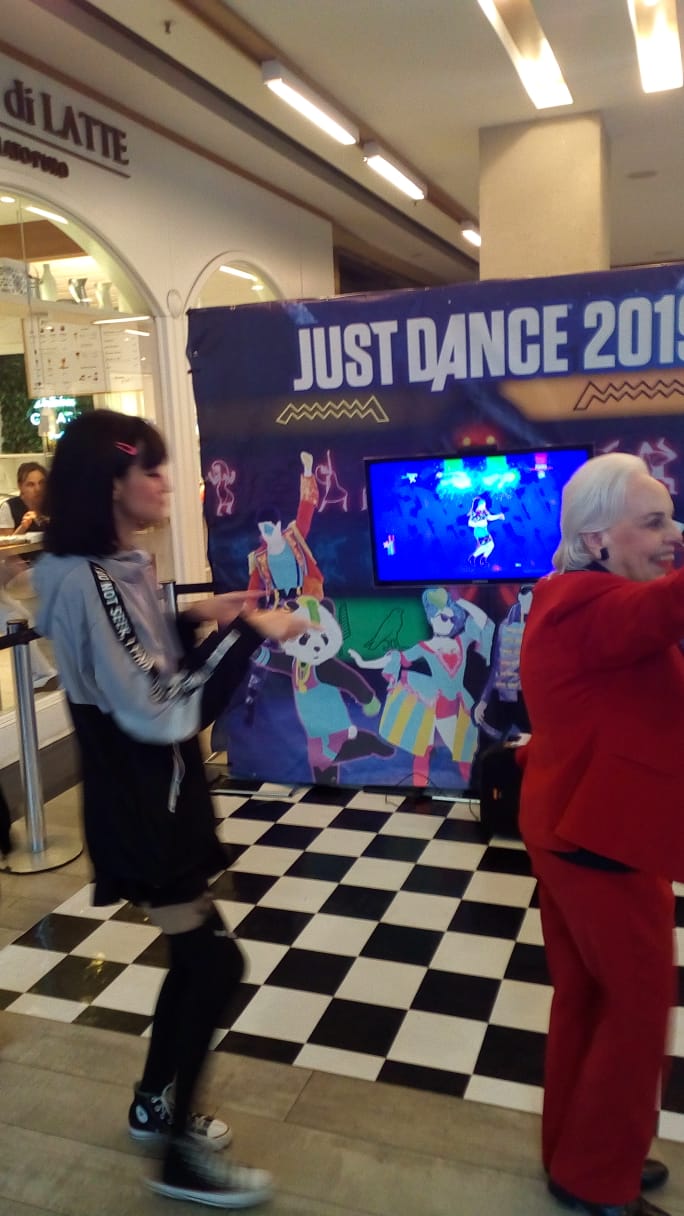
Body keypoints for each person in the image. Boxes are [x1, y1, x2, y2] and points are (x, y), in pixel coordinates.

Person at [34, 409, 313, 1209]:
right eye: (150, 469)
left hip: (159, 800)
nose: (165, 483)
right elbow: (160, 706)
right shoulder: (89, 578)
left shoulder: (113, 566)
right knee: (215, 964)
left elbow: (138, 664)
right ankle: (178, 1155)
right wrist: (251, 631)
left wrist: (193, 617)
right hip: (144, 811)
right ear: (110, 483)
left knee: (196, 961)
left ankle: (154, 1105)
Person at [517, 451, 684, 1216]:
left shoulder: (570, 597)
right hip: (602, 833)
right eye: (653, 522)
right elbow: (665, 611)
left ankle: (577, 1152)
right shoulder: (591, 605)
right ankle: (597, 1176)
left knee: (588, 999)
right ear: (595, 540)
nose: (672, 535)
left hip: (577, 823)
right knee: (637, 1008)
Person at [0, 461, 49, 535]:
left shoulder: (53, 504)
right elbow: (6, 541)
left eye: (41, 483)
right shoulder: (9, 507)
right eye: (31, 484)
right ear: (20, 486)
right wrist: (23, 527)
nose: (38, 489)